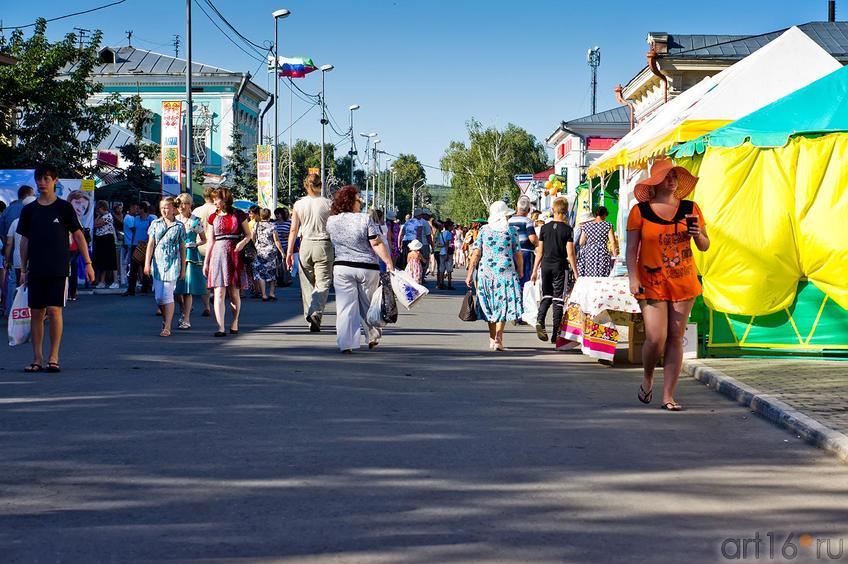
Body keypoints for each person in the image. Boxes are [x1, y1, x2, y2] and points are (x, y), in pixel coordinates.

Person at [626, 159, 710, 412]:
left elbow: (705, 245)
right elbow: (631, 250)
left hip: (683, 280)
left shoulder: (690, 208)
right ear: (655, 182)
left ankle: (668, 396)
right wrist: (633, 277)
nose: (671, 180)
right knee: (655, 337)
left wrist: (698, 234)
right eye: (666, 176)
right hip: (650, 280)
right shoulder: (639, 211)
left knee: (675, 337)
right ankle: (648, 376)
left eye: (674, 176)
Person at [17, 164, 95, 373]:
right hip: (36, 269)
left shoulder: (64, 207)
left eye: (47, 179)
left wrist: (88, 264)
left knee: (53, 311)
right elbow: (24, 241)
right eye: (39, 179)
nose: (42, 183)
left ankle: (53, 356)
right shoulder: (29, 210)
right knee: (36, 313)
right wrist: (23, 269)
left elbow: (78, 235)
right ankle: (37, 358)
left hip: (59, 268)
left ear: (55, 181)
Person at [325, 186, 395, 353]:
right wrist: (389, 262)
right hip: (367, 268)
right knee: (369, 305)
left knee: (344, 307)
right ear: (350, 201)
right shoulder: (364, 219)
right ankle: (372, 336)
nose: (361, 203)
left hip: (342, 267)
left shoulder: (331, 221)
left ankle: (346, 344)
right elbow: (376, 243)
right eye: (359, 200)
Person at [465, 201, 523, 351]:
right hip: (506, 272)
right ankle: (498, 338)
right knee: (502, 305)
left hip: (486, 274)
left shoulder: (484, 230)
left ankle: (492, 338)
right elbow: (518, 253)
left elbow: (476, 252)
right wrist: (521, 270)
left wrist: (470, 273)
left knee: (489, 305)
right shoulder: (511, 231)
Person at [287, 173, 333, 332]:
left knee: (306, 284)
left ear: (306, 186)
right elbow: (334, 227)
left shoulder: (299, 204)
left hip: (305, 245)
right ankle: (316, 311)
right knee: (323, 282)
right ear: (321, 185)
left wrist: (288, 253)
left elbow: (293, 229)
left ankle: (310, 315)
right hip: (324, 245)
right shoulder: (328, 204)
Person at [204, 188, 251, 337]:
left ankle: (235, 321)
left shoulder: (239, 214)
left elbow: (248, 235)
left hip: (234, 253)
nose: (214, 202)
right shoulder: (212, 217)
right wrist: (206, 262)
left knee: (234, 293)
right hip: (218, 254)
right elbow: (210, 241)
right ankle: (220, 327)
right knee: (218, 292)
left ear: (224, 199)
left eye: (216, 199)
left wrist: (242, 243)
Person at [530, 197, 578, 344]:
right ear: (566, 212)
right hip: (560, 267)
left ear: (553, 210)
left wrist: (534, 270)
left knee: (546, 296)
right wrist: (576, 273)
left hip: (545, 266)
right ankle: (556, 333)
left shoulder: (544, 228)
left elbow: (540, 251)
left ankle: (540, 320)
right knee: (558, 300)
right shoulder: (568, 230)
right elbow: (570, 253)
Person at [144, 197, 186, 337]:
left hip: (173, 264)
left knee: (168, 295)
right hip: (157, 264)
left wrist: (183, 269)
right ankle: (165, 319)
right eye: (162, 207)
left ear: (174, 209)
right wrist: (146, 264)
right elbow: (150, 244)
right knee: (159, 298)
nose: (164, 210)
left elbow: (182, 247)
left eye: (167, 207)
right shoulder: (155, 224)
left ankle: (167, 326)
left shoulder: (179, 226)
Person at [175, 193, 207, 330]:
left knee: (188, 288)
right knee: (175, 290)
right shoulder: (173, 219)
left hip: (189, 255)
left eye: (185, 203)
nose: (182, 206)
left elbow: (204, 239)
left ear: (190, 205)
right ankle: (183, 308)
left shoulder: (196, 220)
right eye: (180, 203)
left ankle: (186, 318)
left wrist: (195, 244)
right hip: (175, 256)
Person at [1, 185, 35, 315]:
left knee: (12, 285)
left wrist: (6, 257)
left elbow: (6, 238)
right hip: (32, 258)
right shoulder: (35, 213)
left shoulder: (8, 210)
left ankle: (11, 311)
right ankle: (30, 312)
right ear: (28, 195)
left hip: (15, 257)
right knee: (31, 285)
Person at [5, 195, 37, 297]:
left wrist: (6, 259)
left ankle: (15, 310)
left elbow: (9, 243)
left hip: (18, 260)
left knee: (19, 288)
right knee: (35, 289)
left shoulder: (15, 222)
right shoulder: (39, 221)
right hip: (35, 261)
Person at [192, 187, 217, 317]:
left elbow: (193, 227)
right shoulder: (217, 209)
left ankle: (206, 305)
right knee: (216, 275)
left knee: (203, 277)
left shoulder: (197, 210)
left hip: (200, 245)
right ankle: (216, 299)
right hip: (215, 247)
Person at [252, 208, 285, 301]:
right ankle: (271, 293)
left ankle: (263, 294)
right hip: (271, 252)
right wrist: (282, 251)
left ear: (260, 215)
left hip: (259, 252)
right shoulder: (272, 226)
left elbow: (253, 239)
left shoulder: (256, 225)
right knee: (272, 272)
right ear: (269, 216)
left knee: (261, 273)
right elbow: (276, 240)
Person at [578, 206, 618, 277]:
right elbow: (613, 242)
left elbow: (581, 242)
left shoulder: (586, 226)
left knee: (589, 275)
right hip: (602, 253)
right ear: (604, 214)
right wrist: (615, 255)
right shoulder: (608, 225)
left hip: (589, 253)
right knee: (602, 275)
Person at [124, 202, 154, 296]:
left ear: (143, 209)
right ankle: (130, 289)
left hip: (145, 245)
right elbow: (133, 231)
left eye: (139, 209)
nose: (137, 210)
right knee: (133, 268)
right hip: (135, 245)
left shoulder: (150, 219)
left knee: (146, 266)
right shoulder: (135, 219)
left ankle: (145, 287)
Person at [508, 195, 538, 289]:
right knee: (525, 280)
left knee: (514, 278)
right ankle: (523, 298)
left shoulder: (509, 221)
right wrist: (539, 244)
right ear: (529, 210)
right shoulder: (528, 221)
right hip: (525, 253)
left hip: (511, 252)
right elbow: (532, 238)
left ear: (516, 208)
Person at [93, 200, 119, 289]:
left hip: (107, 239)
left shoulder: (108, 216)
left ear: (102, 208)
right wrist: (99, 216)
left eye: (98, 208)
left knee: (111, 260)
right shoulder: (102, 216)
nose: (98, 210)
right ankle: (102, 281)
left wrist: (99, 217)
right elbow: (95, 223)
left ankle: (116, 281)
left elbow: (97, 225)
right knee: (102, 261)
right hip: (101, 239)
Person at [436, 219, 455, 290]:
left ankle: (441, 284)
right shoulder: (449, 233)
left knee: (441, 269)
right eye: (452, 226)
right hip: (447, 253)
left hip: (441, 252)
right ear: (449, 227)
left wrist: (442, 248)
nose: (453, 227)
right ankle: (449, 284)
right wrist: (447, 253)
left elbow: (438, 244)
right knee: (449, 269)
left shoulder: (441, 233)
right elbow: (447, 244)